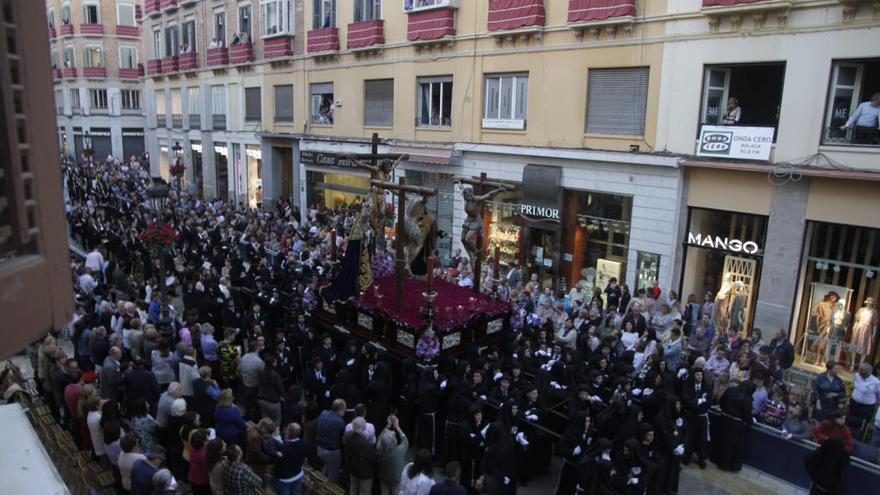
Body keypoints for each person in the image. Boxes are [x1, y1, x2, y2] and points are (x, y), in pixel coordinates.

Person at [316, 398, 346, 484]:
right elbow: (343, 437)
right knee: (333, 474)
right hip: (332, 452)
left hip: (320, 448)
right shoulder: (340, 422)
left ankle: (320, 483)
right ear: (340, 410)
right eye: (344, 410)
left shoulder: (323, 413)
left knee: (326, 465)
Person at [377, 415, 409, 495]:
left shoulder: (379, 450)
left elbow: (379, 439)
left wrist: (387, 426)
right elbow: (405, 440)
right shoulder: (400, 450)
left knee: (384, 492)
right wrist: (397, 427)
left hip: (383, 476)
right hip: (396, 477)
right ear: (394, 441)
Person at [344, 417, 376, 495]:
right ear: (364, 427)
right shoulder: (367, 444)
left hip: (352, 468)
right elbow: (373, 458)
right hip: (364, 473)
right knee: (364, 492)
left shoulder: (347, 435)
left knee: (353, 489)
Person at [275, 423, 308, 495]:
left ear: (289, 432)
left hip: (285, 478)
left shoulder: (284, 448)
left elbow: (277, 462)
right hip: (298, 474)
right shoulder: (304, 443)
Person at [847, 362, 880, 436]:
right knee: (850, 422)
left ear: (868, 372)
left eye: (862, 371)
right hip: (854, 404)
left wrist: (876, 403)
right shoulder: (857, 375)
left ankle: (859, 437)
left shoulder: (876, 382)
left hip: (866, 408)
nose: (860, 373)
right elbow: (854, 386)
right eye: (859, 370)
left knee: (861, 426)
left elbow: (879, 395)